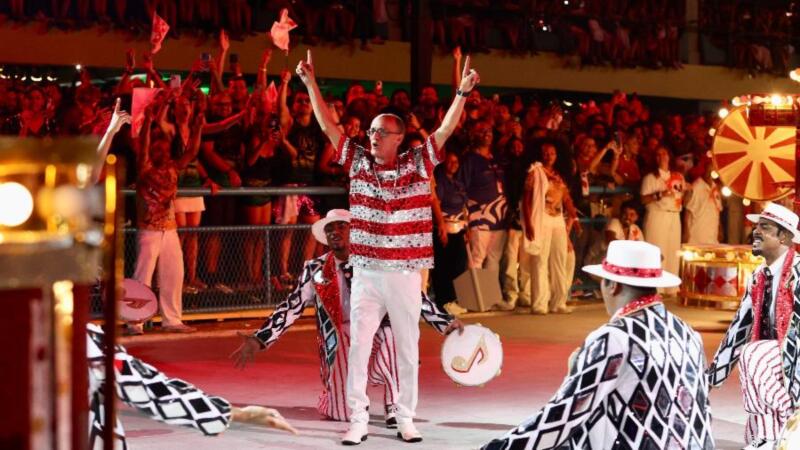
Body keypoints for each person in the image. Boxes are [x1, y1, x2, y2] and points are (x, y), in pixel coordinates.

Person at [295, 49, 479, 444]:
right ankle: (358, 417)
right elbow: (328, 127)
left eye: (381, 132)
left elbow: (445, 130)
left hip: (405, 273)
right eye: (371, 131)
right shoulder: (359, 163)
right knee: (359, 347)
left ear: (398, 138)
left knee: (408, 349)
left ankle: (405, 415)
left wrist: (461, 94)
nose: (373, 136)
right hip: (366, 272)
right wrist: (311, 84)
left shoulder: (417, 163)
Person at [230, 209, 463, 425]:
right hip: (341, 343)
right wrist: (260, 338)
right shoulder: (315, 269)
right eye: (330, 229)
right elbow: (291, 306)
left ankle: (394, 404)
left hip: (379, 335)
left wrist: (445, 322)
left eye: (341, 226)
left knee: (393, 332)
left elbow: (412, 296)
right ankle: (337, 397)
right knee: (343, 415)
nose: (334, 232)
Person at [482, 240, 714, 449]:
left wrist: (500, 447)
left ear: (613, 286)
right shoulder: (689, 333)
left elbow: (563, 417)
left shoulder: (615, 337)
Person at [86, 323, 297, 448]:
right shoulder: (88, 340)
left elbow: (146, 387)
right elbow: (148, 388)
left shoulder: (89, 339)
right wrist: (238, 414)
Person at [707, 202, 800, 449]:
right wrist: (711, 378)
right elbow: (739, 330)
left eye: (765, 228)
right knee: (752, 353)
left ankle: (779, 428)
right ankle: (776, 429)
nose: (755, 232)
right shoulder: (758, 276)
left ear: (784, 237)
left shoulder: (799, 272)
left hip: (794, 360)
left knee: (753, 354)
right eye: (757, 226)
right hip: (775, 359)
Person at [127, 97, 203, 335]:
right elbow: (142, 147)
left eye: (164, 148)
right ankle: (135, 322)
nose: (161, 151)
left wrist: (198, 128)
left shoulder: (172, 167)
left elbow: (192, 152)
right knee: (143, 276)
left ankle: (172, 319)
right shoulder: (145, 168)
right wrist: (148, 123)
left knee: (174, 274)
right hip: (149, 229)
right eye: (157, 149)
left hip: (169, 229)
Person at [519, 142, 579, 315]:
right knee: (540, 260)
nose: (549, 156)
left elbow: (566, 198)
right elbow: (526, 200)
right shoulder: (535, 172)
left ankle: (558, 302)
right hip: (542, 218)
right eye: (546, 153)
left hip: (557, 219)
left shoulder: (558, 175)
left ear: (556, 155)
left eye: (552, 153)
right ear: (541, 155)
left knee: (560, 259)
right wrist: (529, 223)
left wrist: (574, 216)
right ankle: (539, 304)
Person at [640, 147, 686, 292]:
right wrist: (660, 195)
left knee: (673, 250)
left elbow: (682, 195)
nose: (662, 157)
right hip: (657, 214)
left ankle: (671, 287)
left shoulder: (678, 177)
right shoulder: (650, 178)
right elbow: (643, 199)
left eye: (664, 153)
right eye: (658, 154)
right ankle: (656, 287)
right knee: (657, 249)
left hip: (674, 215)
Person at [683, 164, 722, 244]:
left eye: (712, 171)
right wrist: (685, 231)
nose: (709, 173)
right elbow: (687, 210)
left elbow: (717, 211)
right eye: (708, 171)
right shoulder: (696, 186)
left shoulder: (715, 188)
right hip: (697, 236)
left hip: (712, 236)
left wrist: (720, 228)